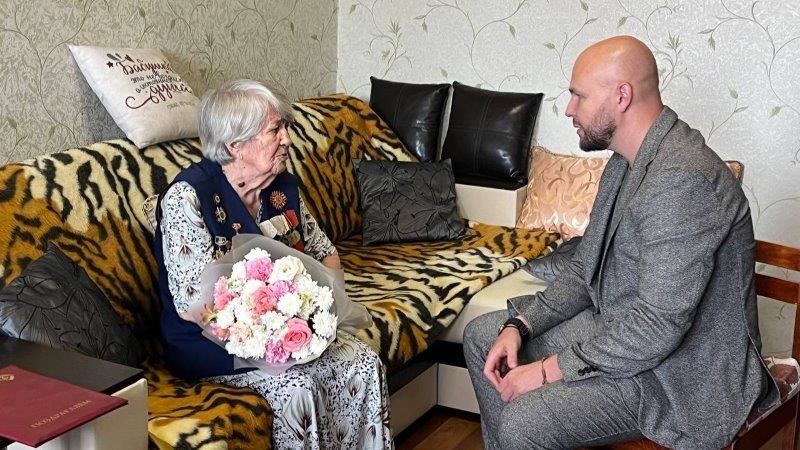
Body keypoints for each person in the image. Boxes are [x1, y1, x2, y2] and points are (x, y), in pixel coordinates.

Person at [463, 36, 779, 449]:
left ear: (622, 96)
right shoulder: (623, 163)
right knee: (483, 337)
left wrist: (543, 371)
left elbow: (657, 327)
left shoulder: (683, 177)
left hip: (679, 374)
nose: (569, 109)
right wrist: (519, 325)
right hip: (618, 331)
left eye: (578, 95)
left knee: (524, 421)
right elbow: (584, 269)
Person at [152, 79, 391, 449]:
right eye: (275, 130)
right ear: (235, 144)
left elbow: (325, 252)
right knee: (299, 388)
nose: (287, 139)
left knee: (363, 362)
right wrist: (272, 343)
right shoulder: (190, 197)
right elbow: (192, 306)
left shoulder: (282, 187)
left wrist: (325, 317)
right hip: (210, 344)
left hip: (289, 331)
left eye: (286, 127)